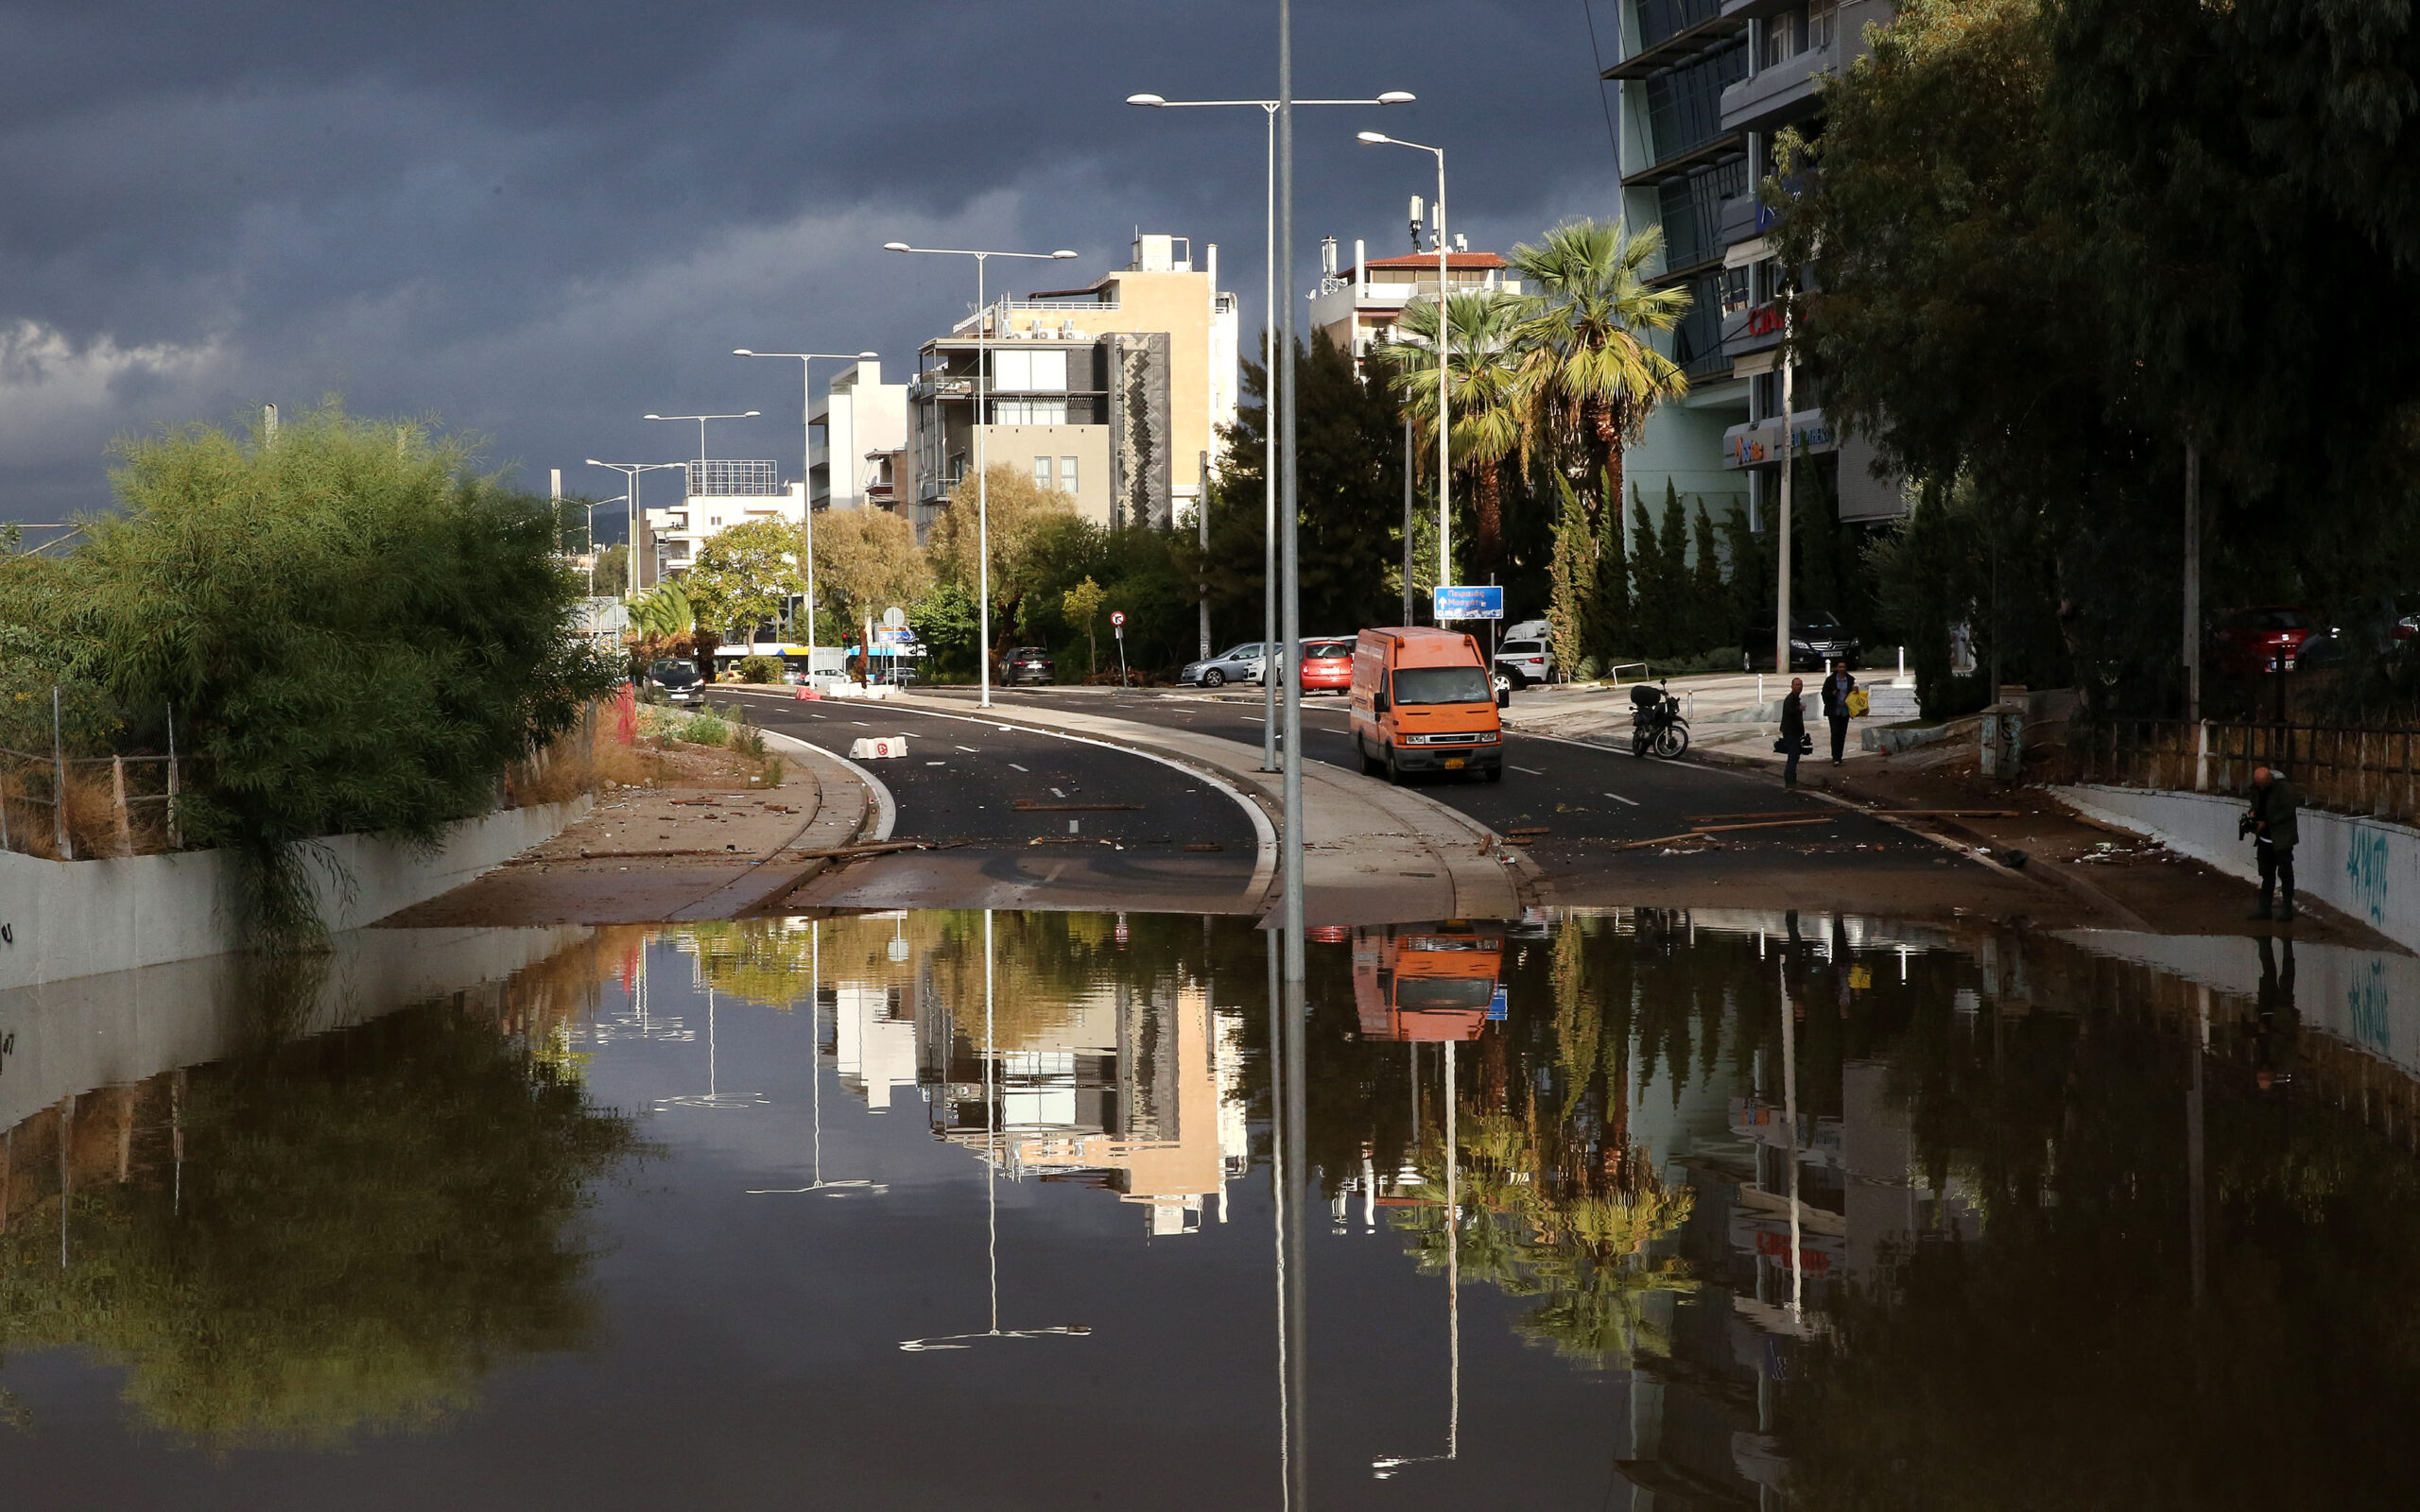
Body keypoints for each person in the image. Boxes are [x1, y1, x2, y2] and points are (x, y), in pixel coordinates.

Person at [2246, 765, 2300, 919]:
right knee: (2267, 874)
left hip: (2282, 839)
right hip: (2264, 839)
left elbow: (2288, 811)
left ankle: (2287, 910)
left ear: (2270, 779)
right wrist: (2253, 813)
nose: (2261, 787)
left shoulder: (2283, 789)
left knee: (2285, 874)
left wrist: (2267, 822)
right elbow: (2256, 803)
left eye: (2263, 784)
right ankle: (2264, 909)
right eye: (2258, 784)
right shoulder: (2256, 789)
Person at [1819, 660, 1858, 765]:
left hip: (1845, 711)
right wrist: (1832, 694)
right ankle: (1835, 756)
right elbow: (1824, 693)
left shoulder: (1849, 680)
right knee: (1835, 733)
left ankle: (1839, 756)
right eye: (1840, 667)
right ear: (1836, 668)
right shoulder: (1831, 680)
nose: (1841, 669)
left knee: (1842, 734)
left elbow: (1853, 694)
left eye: (1843, 667)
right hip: (1834, 711)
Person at [1779, 677, 1806, 788]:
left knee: (1794, 756)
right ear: (1792, 686)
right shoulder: (1790, 699)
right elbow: (1789, 712)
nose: (1799, 687)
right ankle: (1790, 780)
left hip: (1795, 732)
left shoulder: (1796, 699)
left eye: (1800, 685)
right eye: (1797, 685)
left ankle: (1792, 780)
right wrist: (1799, 709)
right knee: (1793, 756)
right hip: (1790, 732)